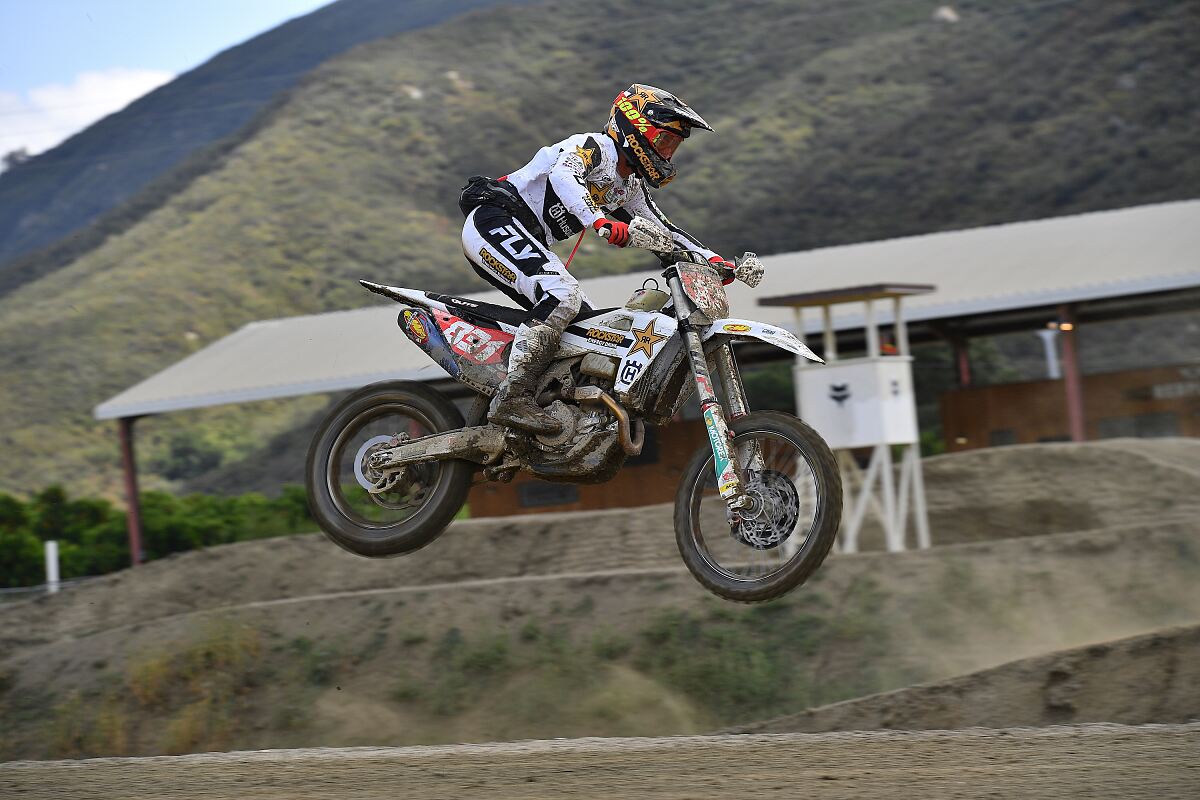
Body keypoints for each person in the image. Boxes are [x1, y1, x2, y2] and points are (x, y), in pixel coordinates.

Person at [458, 84, 735, 436]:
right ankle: (514, 398)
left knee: (588, 326)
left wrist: (714, 260)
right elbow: (563, 175)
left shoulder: (629, 185)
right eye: (664, 142)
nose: (667, 153)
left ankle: (554, 411)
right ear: (636, 128)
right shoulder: (594, 147)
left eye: (672, 146)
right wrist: (599, 221)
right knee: (563, 296)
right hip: (494, 220)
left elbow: (665, 229)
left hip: (524, 236)